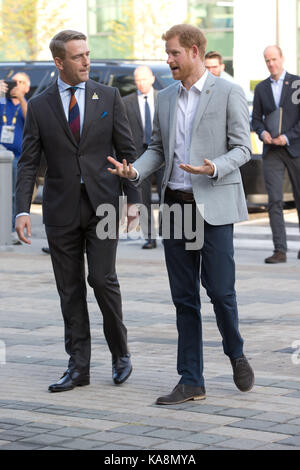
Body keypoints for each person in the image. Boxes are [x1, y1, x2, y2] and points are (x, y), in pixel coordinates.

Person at [108, 24, 254, 405]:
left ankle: (235, 352)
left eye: (173, 53)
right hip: (175, 205)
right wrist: (135, 171)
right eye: (167, 54)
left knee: (221, 291)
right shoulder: (167, 97)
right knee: (184, 297)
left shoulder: (229, 92)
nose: (167, 60)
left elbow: (243, 148)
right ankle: (191, 379)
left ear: (193, 51)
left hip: (215, 205)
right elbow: (157, 147)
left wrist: (214, 167)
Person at [15, 30, 140, 392]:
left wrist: (133, 199)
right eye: (77, 56)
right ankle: (78, 367)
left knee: (102, 280)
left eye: (88, 54)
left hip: (103, 207)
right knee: (69, 290)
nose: (86, 61)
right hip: (60, 210)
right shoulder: (40, 106)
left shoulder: (110, 95)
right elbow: (28, 163)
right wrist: (21, 210)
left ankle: (121, 353)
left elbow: (127, 151)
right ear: (59, 62)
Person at [252, 45, 300, 264]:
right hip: (271, 151)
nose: (271, 63)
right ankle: (279, 249)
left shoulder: (297, 84)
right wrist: (262, 133)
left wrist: (287, 137)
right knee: (274, 201)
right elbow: (256, 119)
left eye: (274, 59)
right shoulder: (262, 88)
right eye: (267, 60)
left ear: (282, 58)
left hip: (294, 149)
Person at [123, 65, 163, 249]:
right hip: (139, 156)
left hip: (163, 154)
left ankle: (169, 232)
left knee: (167, 194)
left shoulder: (164, 98)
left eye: (145, 79)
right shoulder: (126, 102)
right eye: (138, 80)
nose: (141, 83)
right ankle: (150, 236)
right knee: (143, 197)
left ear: (152, 79)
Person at [0, 73, 30, 243]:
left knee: (13, 194)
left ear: (26, 87)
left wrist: (21, 99)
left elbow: (30, 120)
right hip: (1, 155)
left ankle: (11, 230)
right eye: (14, 82)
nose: (16, 85)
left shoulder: (29, 104)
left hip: (17, 157)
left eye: (21, 82)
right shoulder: (3, 102)